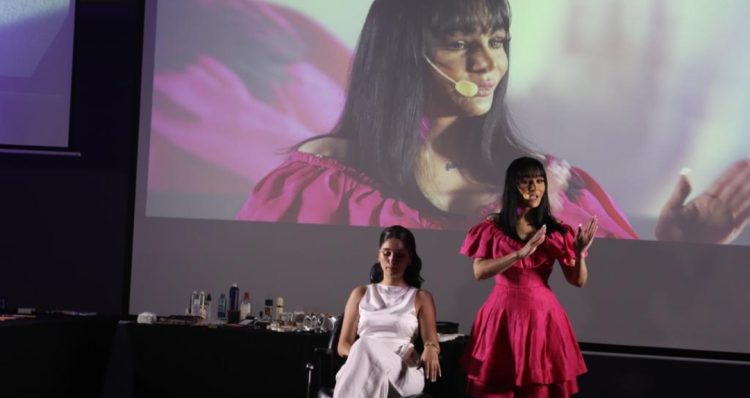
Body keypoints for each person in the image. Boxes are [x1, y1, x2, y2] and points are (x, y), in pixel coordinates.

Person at [237, 0, 638, 239]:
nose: (488, 63)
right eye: (460, 43)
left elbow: (623, 298)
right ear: (402, 54)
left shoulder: (549, 182)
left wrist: (672, 246)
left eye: (497, 41)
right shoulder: (323, 176)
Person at [459, 157, 597, 398]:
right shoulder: (493, 227)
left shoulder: (556, 230)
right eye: (526, 181)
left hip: (541, 318)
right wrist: (519, 254)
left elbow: (577, 280)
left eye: (539, 180)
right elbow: (479, 271)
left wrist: (580, 254)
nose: (534, 187)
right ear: (514, 185)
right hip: (501, 315)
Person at [307, 225, 441, 398]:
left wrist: (431, 346)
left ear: (410, 258)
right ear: (379, 254)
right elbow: (343, 345)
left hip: (402, 372)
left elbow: (431, 339)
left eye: (399, 255)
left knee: (365, 345)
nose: (392, 260)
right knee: (364, 347)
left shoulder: (421, 297)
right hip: (360, 366)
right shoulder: (360, 293)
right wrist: (367, 356)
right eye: (387, 253)